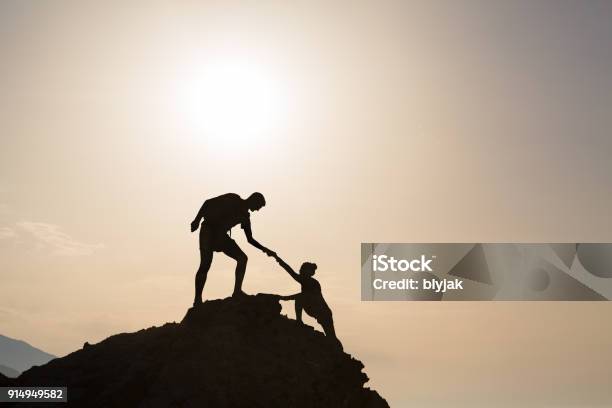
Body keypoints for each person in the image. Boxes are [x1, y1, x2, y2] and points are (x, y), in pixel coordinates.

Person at [190, 192, 275, 305]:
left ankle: (237, 291)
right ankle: (197, 299)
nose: (258, 210)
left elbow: (250, 239)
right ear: (254, 200)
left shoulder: (245, 217)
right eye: (259, 206)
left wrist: (265, 249)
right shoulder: (233, 198)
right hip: (208, 231)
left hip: (221, 236)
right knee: (205, 264)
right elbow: (208, 203)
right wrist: (197, 220)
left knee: (242, 258)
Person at [273, 254, 341, 346]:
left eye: (304, 269)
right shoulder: (307, 281)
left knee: (331, 337)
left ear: (309, 272)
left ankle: (299, 321)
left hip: (323, 312)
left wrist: (283, 298)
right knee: (331, 337)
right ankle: (299, 321)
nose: (301, 270)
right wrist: (277, 259)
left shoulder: (312, 282)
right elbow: (291, 273)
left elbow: (302, 295)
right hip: (315, 308)